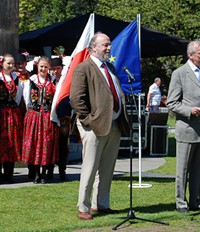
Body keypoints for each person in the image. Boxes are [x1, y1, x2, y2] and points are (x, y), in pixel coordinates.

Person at [70, 32, 130, 220]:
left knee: (107, 169)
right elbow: (76, 99)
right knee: (89, 168)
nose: (108, 48)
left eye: (109, 44)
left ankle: (101, 204)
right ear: (93, 48)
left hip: (114, 124)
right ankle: (83, 207)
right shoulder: (83, 68)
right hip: (94, 127)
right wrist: (88, 121)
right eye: (104, 45)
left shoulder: (109, 67)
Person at [167, 39, 200, 213]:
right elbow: (171, 103)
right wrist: (189, 110)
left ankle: (196, 201)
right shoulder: (180, 73)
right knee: (183, 169)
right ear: (190, 55)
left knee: (197, 170)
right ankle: (181, 203)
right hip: (188, 128)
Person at [21, 56, 59, 184]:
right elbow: (27, 99)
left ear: (49, 68)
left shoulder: (53, 81)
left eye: (46, 67)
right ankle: (36, 174)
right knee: (35, 144)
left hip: (48, 117)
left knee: (46, 145)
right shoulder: (31, 80)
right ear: (37, 67)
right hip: (35, 116)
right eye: (41, 66)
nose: (43, 69)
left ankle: (44, 173)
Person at [0, 54, 23, 183]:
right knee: (0, 142)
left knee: (12, 142)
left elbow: (18, 96)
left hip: (12, 113)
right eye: (8, 63)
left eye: (12, 63)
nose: (11, 66)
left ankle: (9, 172)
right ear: (2, 64)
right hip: (0, 113)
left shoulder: (17, 78)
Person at [47, 57, 71, 181]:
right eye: (53, 69)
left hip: (63, 119)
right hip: (50, 118)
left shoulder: (66, 83)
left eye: (58, 69)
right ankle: (49, 171)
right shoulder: (48, 82)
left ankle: (62, 171)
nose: (55, 71)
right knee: (50, 144)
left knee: (63, 145)